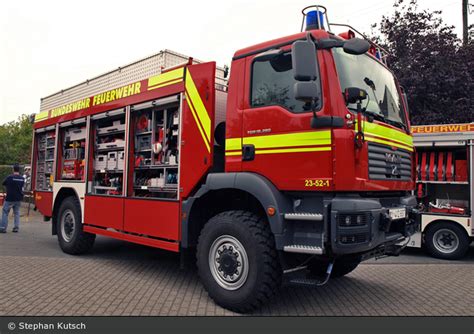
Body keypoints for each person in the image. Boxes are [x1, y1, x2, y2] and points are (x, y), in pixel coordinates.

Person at [0, 164, 25, 233]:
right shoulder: (22, 178)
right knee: (16, 213)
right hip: (18, 198)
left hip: (9, 198)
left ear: (13, 169)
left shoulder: (9, 177)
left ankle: (3, 228)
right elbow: (22, 187)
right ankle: (16, 228)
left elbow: (3, 183)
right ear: (19, 170)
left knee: (5, 212)